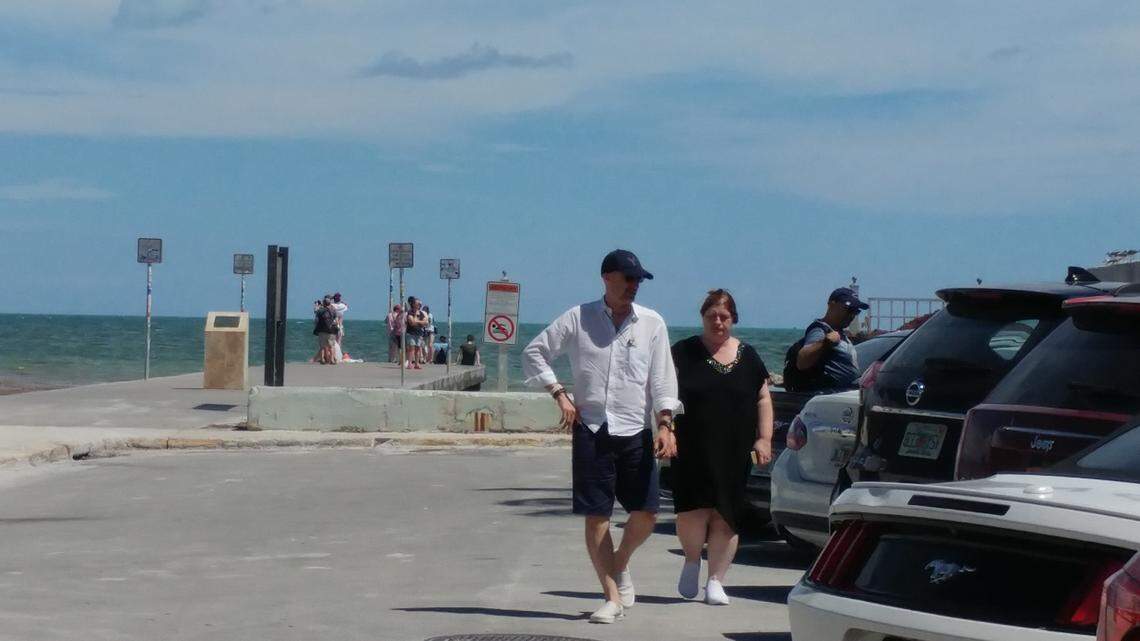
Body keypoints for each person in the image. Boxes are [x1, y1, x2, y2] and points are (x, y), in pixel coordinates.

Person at [522, 249, 681, 625]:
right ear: (607, 277)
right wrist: (559, 393)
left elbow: (662, 379)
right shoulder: (578, 318)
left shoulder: (652, 323)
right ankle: (611, 596)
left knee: (647, 513)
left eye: (638, 280)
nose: (633, 286)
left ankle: (620, 563)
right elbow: (535, 352)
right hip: (592, 428)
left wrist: (665, 424)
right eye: (627, 278)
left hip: (635, 429)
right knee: (597, 518)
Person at [670, 289, 774, 606]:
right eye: (712, 316)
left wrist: (764, 438)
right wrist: (664, 429)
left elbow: (763, 399)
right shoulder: (683, 352)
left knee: (726, 516)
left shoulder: (749, 356)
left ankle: (716, 580)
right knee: (693, 511)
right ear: (703, 317)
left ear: (733, 319)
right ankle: (691, 560)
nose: (718, 321)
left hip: (734, 449)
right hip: (691, 446)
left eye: (724, 316)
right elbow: (663, 395)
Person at [785, 287, 869, 392]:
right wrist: (825, 342)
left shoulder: (840, 333)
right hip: (827, 396)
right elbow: (802, 361)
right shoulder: (819, 330)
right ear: (832, 304)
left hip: (842, 396)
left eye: (856, 311)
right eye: (849, 309)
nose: (852, 315)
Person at [311, 297, 338, 365]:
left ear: (323, 303)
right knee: (331, 346)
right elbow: (336, 321)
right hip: (331, 331)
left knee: (322, 346)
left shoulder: (320, 311)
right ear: (330, 303)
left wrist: (316, 327)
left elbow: (316, 321)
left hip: (322, 330)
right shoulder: (333, 310)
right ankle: (332, 359)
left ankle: (322, 359)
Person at [404, 297, 428, 370]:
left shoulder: (421, 313)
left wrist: (417, 321)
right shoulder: (410, 312)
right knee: (411, 349)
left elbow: (425, 322)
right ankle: (410, 364)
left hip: (419, 333)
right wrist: (419, 321)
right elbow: (411, 322)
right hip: (411, 333)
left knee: (418, 349)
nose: (419, 305)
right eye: (418, 303)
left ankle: (417, 364)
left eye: (419, 304)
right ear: (414, 304)